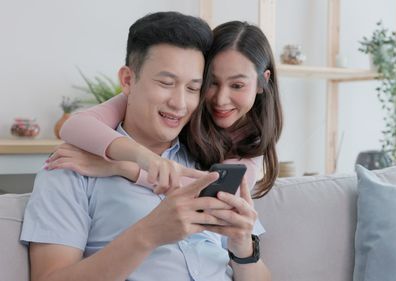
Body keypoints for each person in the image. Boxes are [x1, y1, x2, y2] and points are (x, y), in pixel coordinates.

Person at [21, 11, 271, 281]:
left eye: (193, 88)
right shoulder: (70, 167)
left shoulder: (211, 158)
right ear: (128, 81)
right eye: (166, 83)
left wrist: (243, 248)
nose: (179, 103)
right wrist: (148, 234)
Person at [50, 20, 283, 199]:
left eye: (238, 85)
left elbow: (212, 191)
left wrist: (121, 167)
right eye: (211, 82)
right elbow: (75, 125)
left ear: (263, 82)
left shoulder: (254, 142)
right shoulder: (180, 103)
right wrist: (146, 159)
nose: (221, 99)